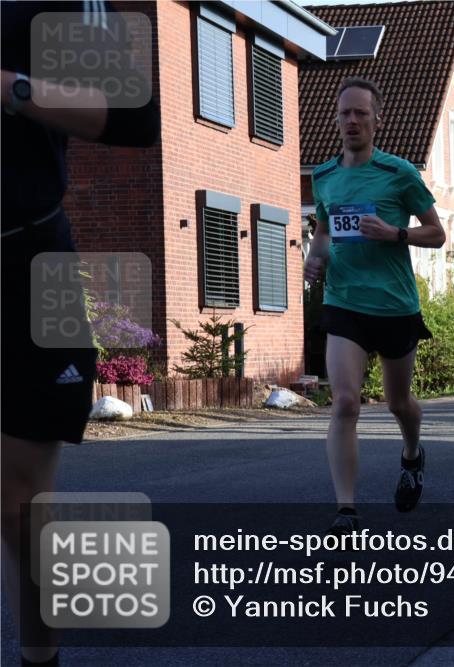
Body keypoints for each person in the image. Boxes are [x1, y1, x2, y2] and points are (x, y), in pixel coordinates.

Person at [1, 3, 160, 664]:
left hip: (29, 264)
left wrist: (12, 88)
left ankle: (41, 659)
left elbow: (136, 116)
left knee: (17, 501)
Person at [305, 78, 446, 533]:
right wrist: (315, 258)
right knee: (345, 402)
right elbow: (324, 233)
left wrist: (395, 233)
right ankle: (346, 509)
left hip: (395, 304)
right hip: (344, 302)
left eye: (360, 113)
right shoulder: (323, 176)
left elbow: (438, 233)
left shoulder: (399, 173)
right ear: (336, 119)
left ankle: (411, 453)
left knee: (398, 401)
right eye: (344, 112)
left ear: (376, 120)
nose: (351, 120)